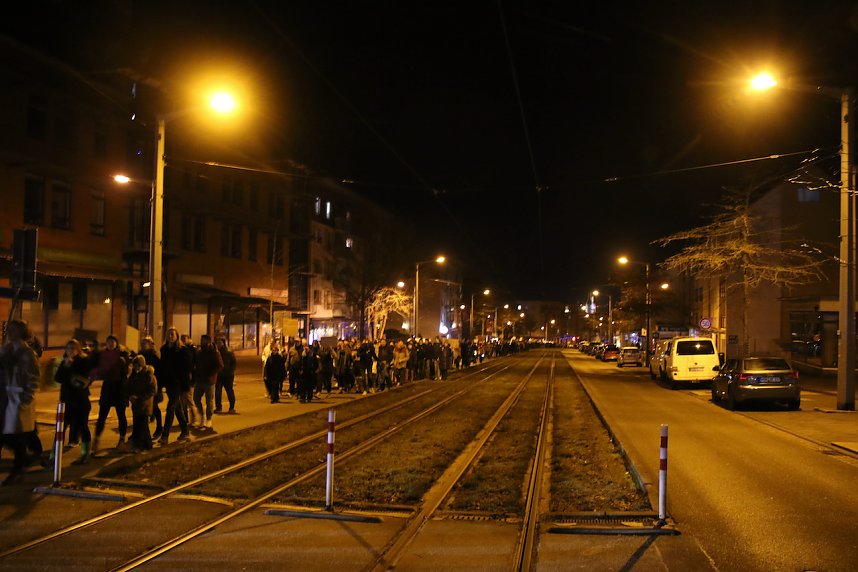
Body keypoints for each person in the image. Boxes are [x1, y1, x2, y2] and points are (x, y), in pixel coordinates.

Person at [0, 320, 40, 486]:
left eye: (14, 330)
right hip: (3, 398)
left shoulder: (27, 354)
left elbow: (34, 378)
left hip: (17, 400)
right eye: (9, 329)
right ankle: (31, 456)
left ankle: (18, 469)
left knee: (17, 438)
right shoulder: (5, 350)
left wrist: (25, 398)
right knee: (6, 434)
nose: (10, 333)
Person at [53, 339, 93, 464]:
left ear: (78, 350)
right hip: (66, 400)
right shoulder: (64, 362)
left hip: (80, 400)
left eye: (73, 348)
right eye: (68, 348)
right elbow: (58, 378)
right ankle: (53, 455)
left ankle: (85, 454)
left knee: (82, 426)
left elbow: (85, 378)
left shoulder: (83, 361)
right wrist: (65, 366)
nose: (70, 351)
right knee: (60, 428)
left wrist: (71, 368)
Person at [91, 335, 129, 452]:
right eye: (108, 342)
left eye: (113, 341)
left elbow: (126, 370)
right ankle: (96, 440)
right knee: (102, 416)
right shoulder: (103, 355)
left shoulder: (123, 354)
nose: (111, 344)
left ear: (117, 343)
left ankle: (122, 439)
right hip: (108, 389)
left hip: (120, 389)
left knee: (121, 415)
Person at [159, 328, 191, 444]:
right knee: (177, 409)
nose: (170, 336)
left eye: (172, 334)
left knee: (170, 408)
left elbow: (186, 368)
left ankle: (165, 435)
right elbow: (162, 367)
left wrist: (184, 383)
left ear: (177, 336)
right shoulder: (164, 349)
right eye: (168, 334)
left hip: (179, 384)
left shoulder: (182, 350)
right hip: (169, 384)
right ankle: (185, 431)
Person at [192, 335, 223, 430]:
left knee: (209, 401)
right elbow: (196, 363)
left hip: (209, 380)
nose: (202, 342)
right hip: (200, 379)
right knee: (196, 398)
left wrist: (211, 374)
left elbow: (220, 365)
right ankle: (202, 416)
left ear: (208, 342)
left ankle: (209, 419)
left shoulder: (214, 352)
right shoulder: (200, 352)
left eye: (204, 340)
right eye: (201, 340)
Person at [127, 355, 157, 451]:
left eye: (138, 366)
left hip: (145, 404)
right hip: (136, 404)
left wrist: (140, 397)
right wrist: (130, 395)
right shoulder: (134, 375)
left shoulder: (149, 375)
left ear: (143, 366)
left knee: (142, 426)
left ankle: (141, 445)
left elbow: (152, 390)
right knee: (138, 425)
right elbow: (129, 386)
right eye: (135, 366)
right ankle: (147, 445)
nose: (136, 368)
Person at [139, 337, 163, 440]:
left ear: (150, 344)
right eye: (142, 343)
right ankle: (142, 432)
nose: (144, 345)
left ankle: (159, 427)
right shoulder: (140, 355)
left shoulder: (153, 356)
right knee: (143, 408)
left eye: (146, 343)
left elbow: (159, 370)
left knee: (154, 407)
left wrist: (158, 385)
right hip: (142, 386)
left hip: (152, 385)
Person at [215, 337, 237, 414]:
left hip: (228, 376)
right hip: (219, 375)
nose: (218, 344)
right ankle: (218, 408)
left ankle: (232, 407)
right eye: (217, 343)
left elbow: (233, 363)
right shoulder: (216, 353)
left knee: (229, 391)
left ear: (224, 343)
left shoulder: (228, 352)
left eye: (220, 342)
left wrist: (230, 372)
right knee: (218, 392)